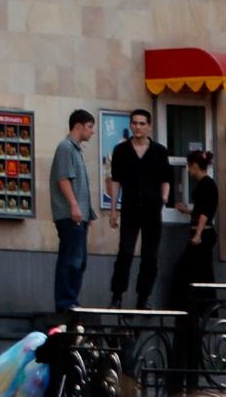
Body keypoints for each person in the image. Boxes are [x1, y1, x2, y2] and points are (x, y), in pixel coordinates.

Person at [108, 108, 172, 308]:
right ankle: (117, 295)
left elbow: (166, 178)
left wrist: (164, 197)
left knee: (150, 256)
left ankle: (143, 297)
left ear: (149, 126)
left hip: (152, 209)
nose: (138, 127)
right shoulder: (121, 150)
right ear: (130, 125)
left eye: (142, 123)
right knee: (125, 252)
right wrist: (113, 209)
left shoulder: (159, 151)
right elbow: (116, 181)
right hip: (130, 207)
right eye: (134, 123)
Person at [169, 151, 218, 372]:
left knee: (189, 271)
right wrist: (187, 211)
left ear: (196, 166)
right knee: (201, 270)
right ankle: (206, 306)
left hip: (203, 233)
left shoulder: (206, 185)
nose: (188, 171)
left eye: (189, 167)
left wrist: (198, 233)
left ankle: (200, 305)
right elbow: (201, 210)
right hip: (202, 231)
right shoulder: (207, 185)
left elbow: (206, 212)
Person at [51, 109, 97, 313]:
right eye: (89, 127)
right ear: (78, 126)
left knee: (79, 261)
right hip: (70, 215)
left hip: (80, 214)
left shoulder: (76, 150)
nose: (92, 132)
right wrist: (74, 206)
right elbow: (63, 179)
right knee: (70, 258)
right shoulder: (65, 148)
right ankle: (65, 301)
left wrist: (88, 212)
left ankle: (72, 300)